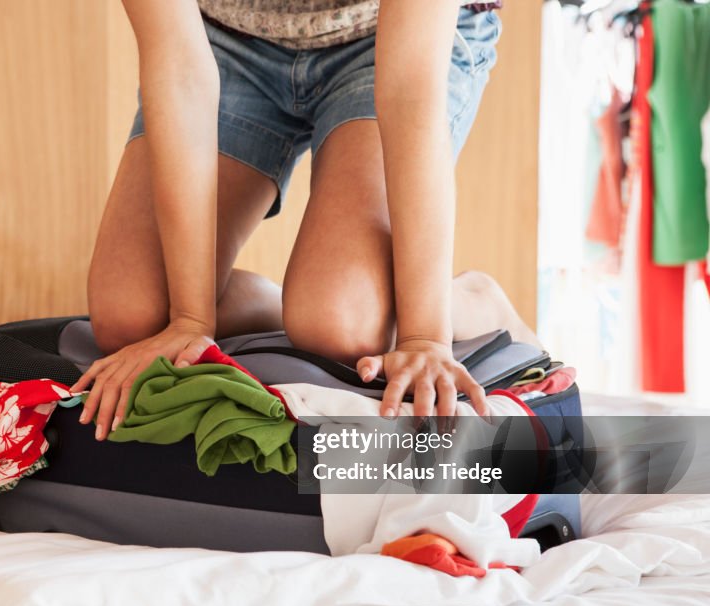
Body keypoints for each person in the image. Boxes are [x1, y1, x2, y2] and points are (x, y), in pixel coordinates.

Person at [72, 0, 541, 439]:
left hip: (384, 38)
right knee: (130, 317)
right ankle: (303, 303)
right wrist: (189, 320)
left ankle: (474, 300)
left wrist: (426, 337)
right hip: (224, 39)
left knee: (343, 325)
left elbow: (409, 87)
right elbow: (179, 71)